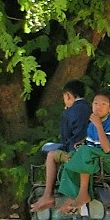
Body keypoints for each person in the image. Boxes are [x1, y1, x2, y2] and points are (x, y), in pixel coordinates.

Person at [57, 88, 110, 215]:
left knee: (85, 152)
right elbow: (92, 147)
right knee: (72, 156)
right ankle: (72, 196)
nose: (98, 107)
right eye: (96, 103)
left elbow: (107, 149)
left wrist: (98, 126)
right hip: (101, 160)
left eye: (103, 104)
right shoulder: (91, 125)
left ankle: (83, 193)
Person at [31, 80, 91, 212]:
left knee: (51, 153)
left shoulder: (68, 113)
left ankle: (48, 195)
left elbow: (65, 139)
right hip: (89, 146)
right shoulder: (91, 107)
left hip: (73, 151)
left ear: (68, 95)